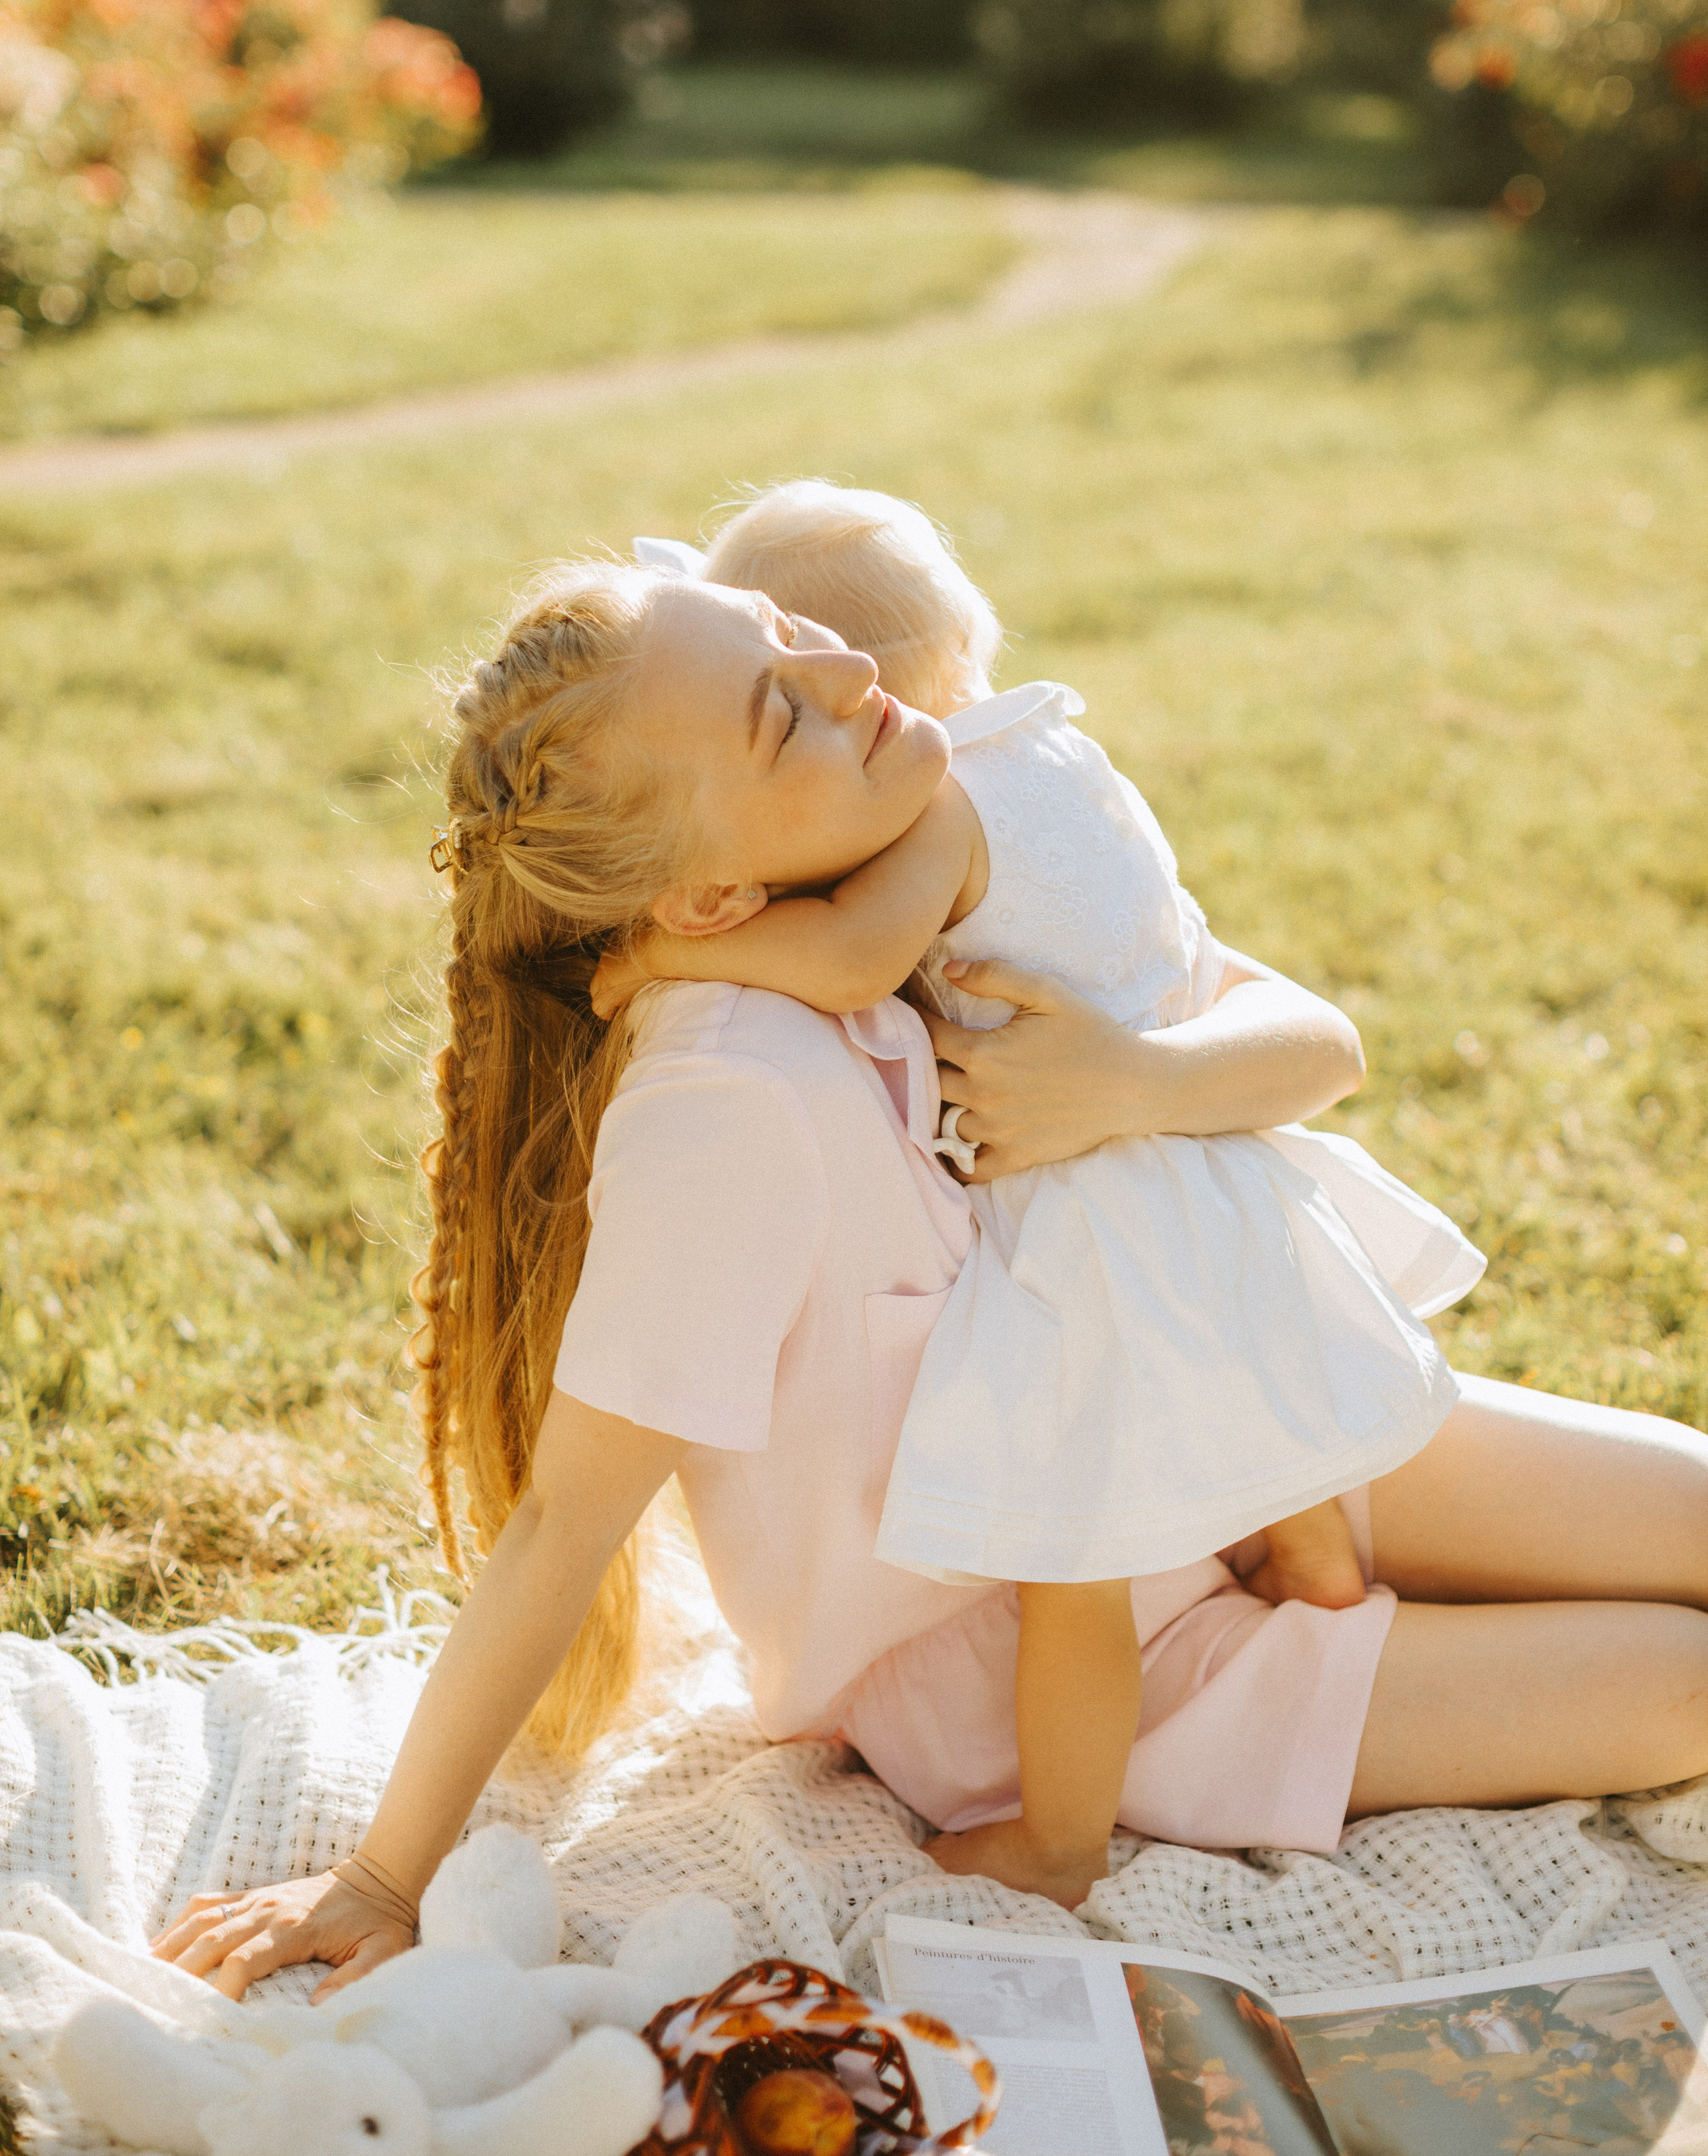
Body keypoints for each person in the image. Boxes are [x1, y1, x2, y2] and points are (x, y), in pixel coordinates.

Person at [151, 550, 1708, 2004]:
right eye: (779, 712)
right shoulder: (725, 1100)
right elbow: (568, 1518)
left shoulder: (913, 849)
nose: (843, 673)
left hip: (1226, 1423)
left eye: (781, 627)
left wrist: (1135, 1079)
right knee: (1683, 1686)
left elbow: (1296, 1032)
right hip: (1095, 1659)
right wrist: (380, 1874)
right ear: (701, 906)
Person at [594, 484, 1481, 1908]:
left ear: (859, 687)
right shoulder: (1072, 756)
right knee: (1276, 1404)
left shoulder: (945, 814)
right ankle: (1314, 1586)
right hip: (1225, 1178)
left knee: (1077, 1562)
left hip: (1104, 1206)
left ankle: (1058, 1841)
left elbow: (838, 961)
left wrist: (665, 959)